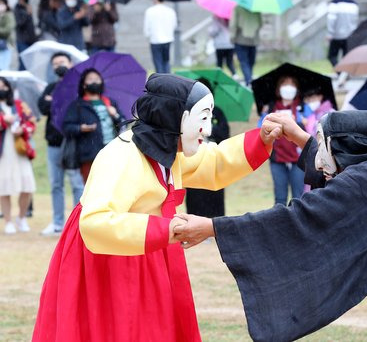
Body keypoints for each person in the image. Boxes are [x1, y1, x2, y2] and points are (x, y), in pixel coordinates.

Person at [175, 110, 367, 341]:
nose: (321, 161)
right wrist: (300, 135)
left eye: (326, 148)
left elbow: (297, 217)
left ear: (347, 147)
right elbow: (335, 167)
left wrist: (214, 227)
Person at [32, 73, 282, 341]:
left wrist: (261, 140)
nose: (207, 130)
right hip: (110, 257)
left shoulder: (168, 151)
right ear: (175, 118)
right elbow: (95, 221)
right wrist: (164, 229)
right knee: (120, 329)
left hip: (149, 248)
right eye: (202, 119)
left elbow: (213, 163)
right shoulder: (120, 157)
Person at [38, 52, 84, 236]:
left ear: (70, 63)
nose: (59, 66)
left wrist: (56, 101)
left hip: (73, 142)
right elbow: (42, 106)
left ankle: (79, 222)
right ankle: (57, 223)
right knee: (56, 183)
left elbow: (75, 107)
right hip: (54, 142)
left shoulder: (78, 87)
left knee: (77, 183)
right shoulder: (50, 87)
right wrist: (54, 99)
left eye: (62, 62)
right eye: (55, 64)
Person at [62, 68, 124, 182]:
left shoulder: (110, 102)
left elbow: (123, 124)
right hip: (89, 154)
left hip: (112, 152)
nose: (94, 82)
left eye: (97, 79)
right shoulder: (78, 105)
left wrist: (115, 115)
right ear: (84, 85)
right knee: (92, 188)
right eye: (90, 79)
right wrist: (81, 128)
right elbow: (67, 127)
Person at [185, 77, 230, 218]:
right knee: (195, 193)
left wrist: (209, 129)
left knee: (214, 191)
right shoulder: (188, 114)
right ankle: (193, 223)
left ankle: (215, 225)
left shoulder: (217, 113)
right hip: (193, 160)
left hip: (213, 160)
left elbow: (224, 134)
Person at [259, 75, 305, 205]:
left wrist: (301, 122)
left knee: (298, 197)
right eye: (285, 84)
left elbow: (313, 128)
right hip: (276, 157)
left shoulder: (303, 107)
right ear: (279, 89)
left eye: (292, 84)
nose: (288, 88)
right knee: (280, 198)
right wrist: (265, 116)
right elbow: (260, 129)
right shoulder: (270, 108)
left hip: (298, 158)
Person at [0, 77, 36, 234]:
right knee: (4, 188)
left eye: (3, 86)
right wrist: (3, 120)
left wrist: (23, 129)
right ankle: (7, 221)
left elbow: (32, 121)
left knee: (27, 185)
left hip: (20, 149)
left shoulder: (19, 105)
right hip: (3, 152)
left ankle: (21, 218)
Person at [143, 0, 176, 73]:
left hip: (155, 40)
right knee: (166, 62)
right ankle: (169, 81)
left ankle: (160, 82)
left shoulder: (149, 11)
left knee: (158, 64)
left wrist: (148, 36)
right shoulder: (170, 11)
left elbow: (146, 29)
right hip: (167, 40)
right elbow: (174, 25)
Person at [230, 5, 262, 86]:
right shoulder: (256, 9)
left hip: (240, 39)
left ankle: (249, 81)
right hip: (253, 40)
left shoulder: (238, 8)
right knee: (251, 62)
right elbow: (260, 23)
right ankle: (249, 80)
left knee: (244, 62)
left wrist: (232, 37)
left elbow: (233, 24)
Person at [326, 0, 358, 67]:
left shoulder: (334, 3)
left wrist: (330, 33)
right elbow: (355, 21)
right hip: (349, 35)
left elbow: (331, 19)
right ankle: (343, 73)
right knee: (346, 57)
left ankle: (339, 72)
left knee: (332, 56)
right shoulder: (354, 3)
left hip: (336, 35)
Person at [14, 0, 37, 70]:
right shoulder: (17, 7)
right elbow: (19, 23)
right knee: (23, 63)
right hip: (22, 40)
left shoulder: (27, 6)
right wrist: (27, 14)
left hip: (31, 40)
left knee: (30, 64)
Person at [0, 0, 15, 71]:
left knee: (5, 68)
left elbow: (8, 29)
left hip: (6, 44)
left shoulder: (9, 15)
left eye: (2, 3)